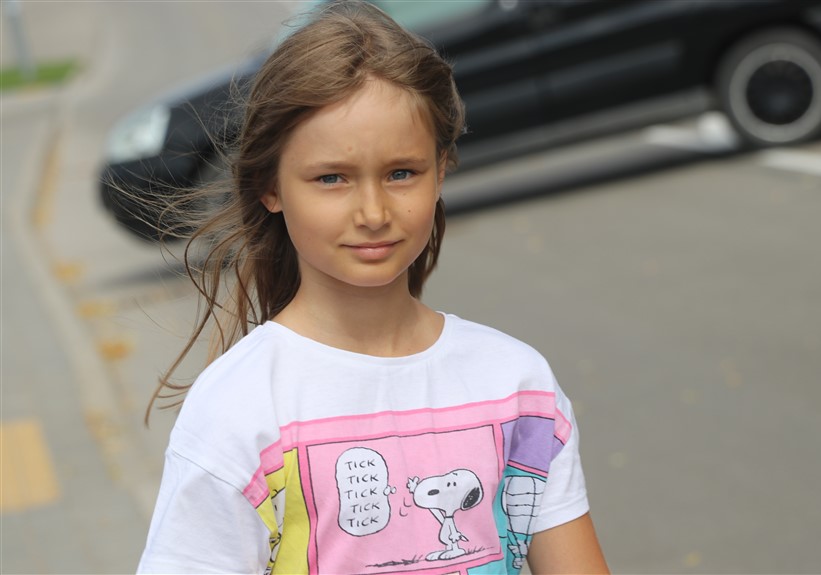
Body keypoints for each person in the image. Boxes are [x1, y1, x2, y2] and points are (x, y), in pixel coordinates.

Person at [138, 1, 608, 573]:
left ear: (442, 169)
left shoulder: (517, 386)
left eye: (401, 173)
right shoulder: (238, 407)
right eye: (331, 178)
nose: (373, 212)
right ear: (270, 187)